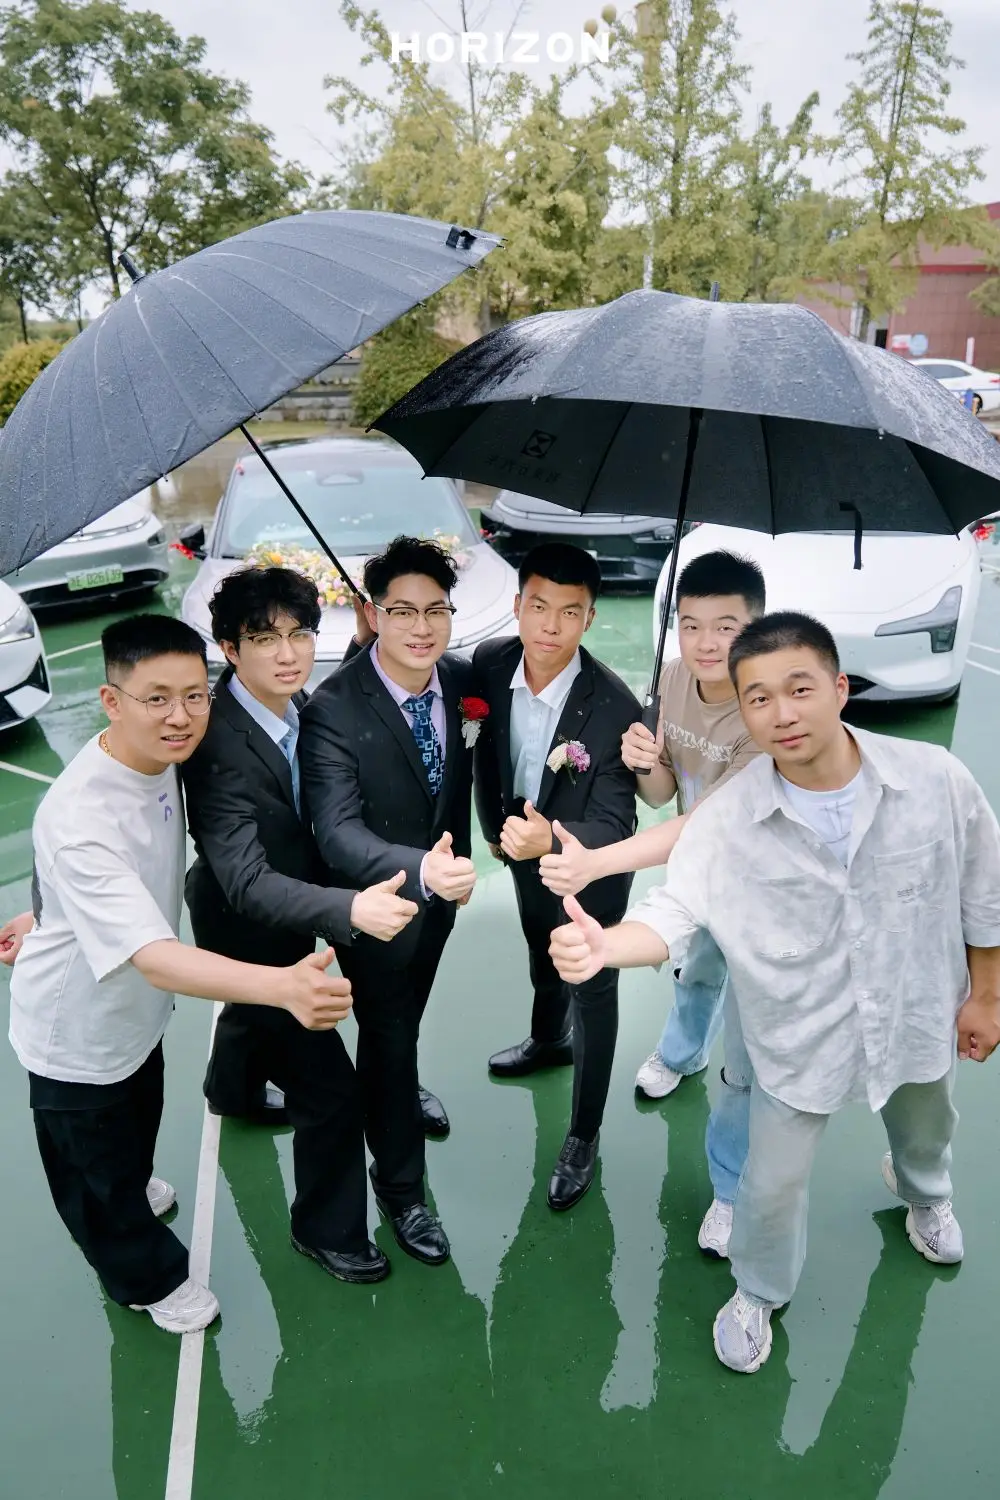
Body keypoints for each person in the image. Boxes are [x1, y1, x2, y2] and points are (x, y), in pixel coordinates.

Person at [550, 611, 1000, 1374]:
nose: (781, 713)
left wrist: (986, 996)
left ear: (840, 688)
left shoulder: (935, 780)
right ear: (744, 710)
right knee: (770, 1184)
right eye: (758, 698)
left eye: (800, 688)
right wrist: (605, 946)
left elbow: (984, 892)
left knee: (927, 1128)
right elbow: (676, 910)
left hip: (914, 1013)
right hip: (796, 1035)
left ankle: (925, 1194)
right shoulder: (729, 817)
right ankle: (759, 1291)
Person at [3, 616, 354, 1334]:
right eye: (156, 698)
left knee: (137, 1119)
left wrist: (44, 911)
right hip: (76, 1034)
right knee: (94, 1178)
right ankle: (146, 1279)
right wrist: (283, 986)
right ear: (111, 701)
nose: (180, 716)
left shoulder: (160, 760)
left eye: (194, 696)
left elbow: (67, 880)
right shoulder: (81, 819)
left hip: (136, 1015)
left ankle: (130, 1183)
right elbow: (154, 956)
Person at [182, 565, 422, 1285]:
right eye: (265, 639)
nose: (288, 654)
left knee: (249, 1017)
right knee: (329, 1090)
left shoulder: (294, 704)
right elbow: (247, 881)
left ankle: (230, 1092)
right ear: (230, 649)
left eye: (300, 634)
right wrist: (348, 909)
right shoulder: (217, 747)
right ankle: (326, 1230)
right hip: (242, 921)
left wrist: (371, 635)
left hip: (291, 902)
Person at [540, 549, 765, 1250]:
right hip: (698, 871)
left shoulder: (763, 709)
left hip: (764, 887)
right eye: (691, 624)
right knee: (695, 972)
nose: (705, 643)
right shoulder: (671, 678)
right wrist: (648, 761)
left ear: (755, 628)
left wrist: (594, 861)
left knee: (747, 1057)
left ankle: (730, 1190)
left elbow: (705, 826)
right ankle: (680, 1053)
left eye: (726, 627)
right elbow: (666, 795)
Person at [298, 536, 477, 1267]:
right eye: (402, 611)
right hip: (374, 909)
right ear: (372, 614)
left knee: (401, 1025)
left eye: (436, 610)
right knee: (389, 1030)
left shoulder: (460, 681)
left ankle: (392, 1086)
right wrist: (422, 871)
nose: (421, 627)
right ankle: (402, 1190)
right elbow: (337, 833)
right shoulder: (332, 709)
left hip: (442, 901)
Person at [472, 542, 639, 1209]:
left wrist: (555, 838)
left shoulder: (614, 705)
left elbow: (617, 820)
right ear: (517, 605)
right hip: (518, 849)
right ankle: (548, 1040)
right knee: (540, 951)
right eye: (539, 606)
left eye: (570, 612)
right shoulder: (489, 664)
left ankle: (583, 1135)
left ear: (589, 619)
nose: (550, 625)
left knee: (592, 992)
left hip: (588, 876)